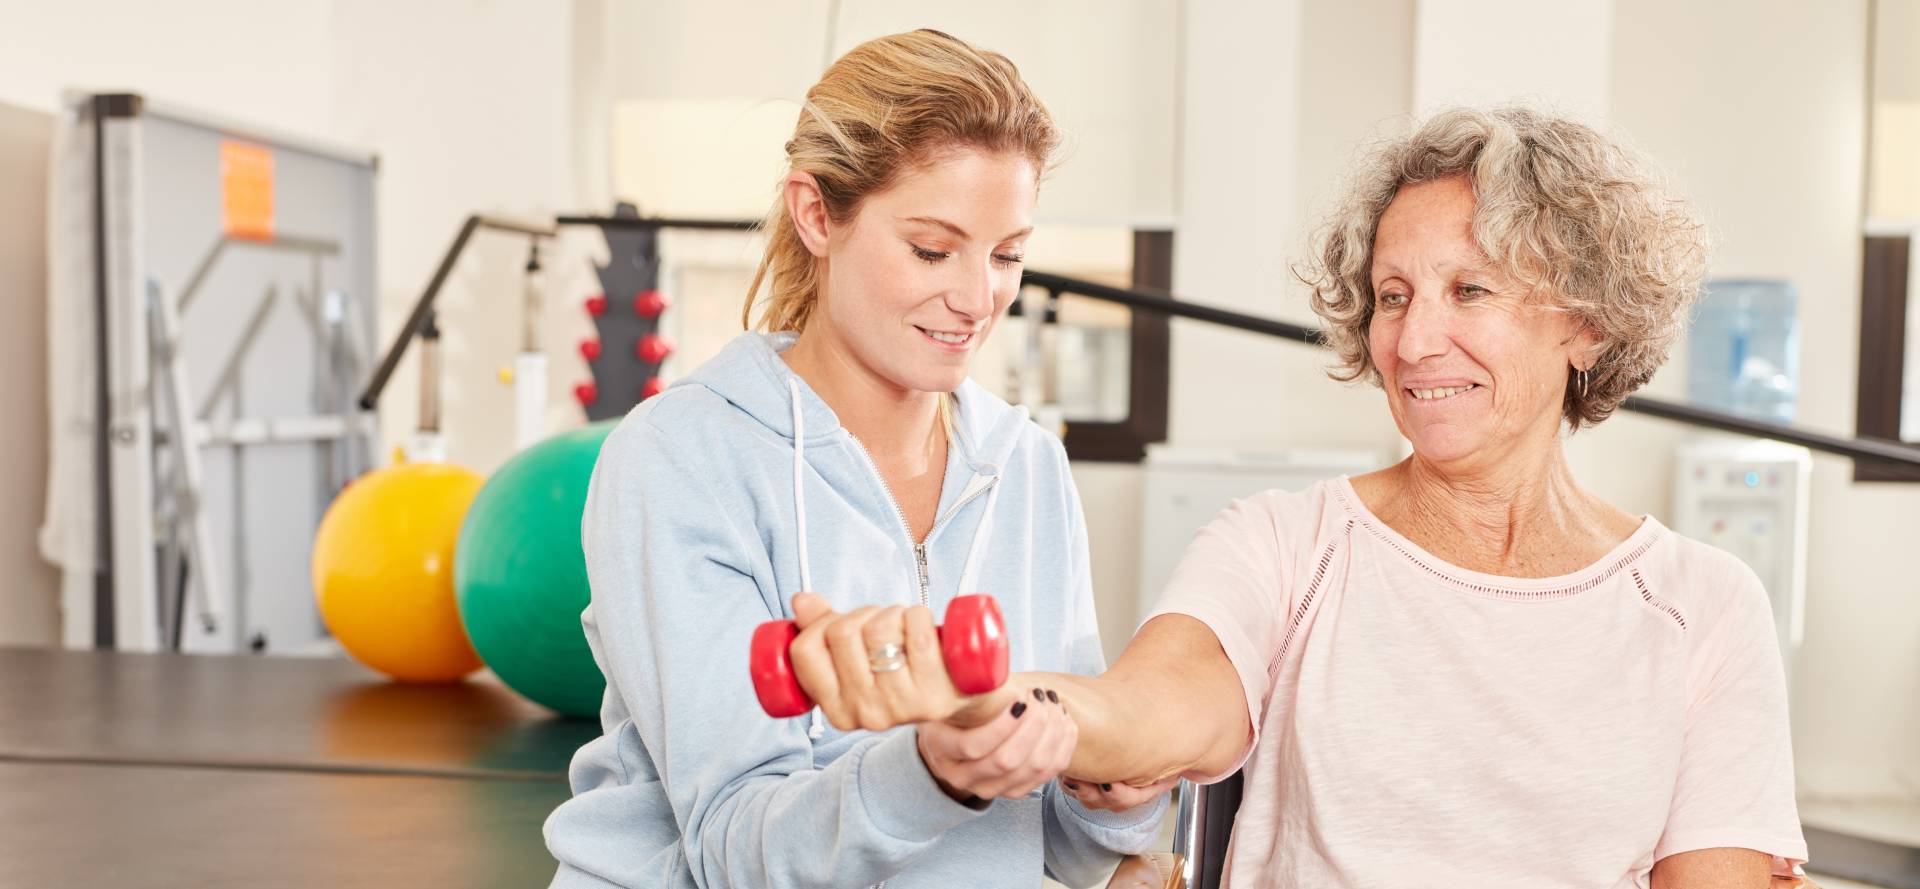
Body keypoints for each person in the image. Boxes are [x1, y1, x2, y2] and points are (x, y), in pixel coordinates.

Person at [789, 106, 1810, 888]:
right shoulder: (1286, 546)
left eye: (1471, 291)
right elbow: (1152, 707)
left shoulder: (1701, 605)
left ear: (1586, 323)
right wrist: (998, 705)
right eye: (1395, 295)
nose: (1412, 343)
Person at [543, 29, 1167, 889]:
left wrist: (1110, 790)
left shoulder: (1027, 466)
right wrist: (934, 771)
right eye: (932, 248)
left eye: (1008, 253)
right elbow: (734, 850)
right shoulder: (677, 458)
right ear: (816, 214)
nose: (978, 297)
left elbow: (1064, 847)